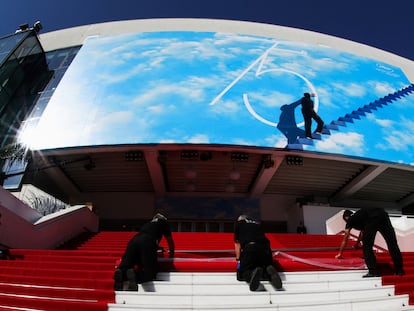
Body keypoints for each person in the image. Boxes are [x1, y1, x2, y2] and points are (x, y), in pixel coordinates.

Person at [335, 208, 404, 278]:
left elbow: (345, 239)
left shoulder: (350, 220)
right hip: (383, 214)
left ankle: (373, 271)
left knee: (367, 246)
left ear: (346, 217)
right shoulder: (359, 216)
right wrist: (356, 244)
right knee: (392, 243)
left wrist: (340, 253)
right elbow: (362, 234)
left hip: (372, 218)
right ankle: (399, 270)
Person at [114, 213, 175, 291]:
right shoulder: (163, 223)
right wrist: (171, 254)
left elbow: (143, 239)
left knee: (126, 265)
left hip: (134, 241)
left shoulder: (147, 224)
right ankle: (135, 275)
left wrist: (158, 247)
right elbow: (170, 241)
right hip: (147, 242)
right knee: (150, 272)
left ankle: (121, 274)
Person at [234, 215, 282, 291]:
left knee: (244, 271)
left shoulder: (239, 224)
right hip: (265, 248)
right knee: (264, 265)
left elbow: (237, 243)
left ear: (240, 220)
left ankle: (251, 275)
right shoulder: (256, 224)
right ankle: (268, 271)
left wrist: (238, 258)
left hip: (250, 247)